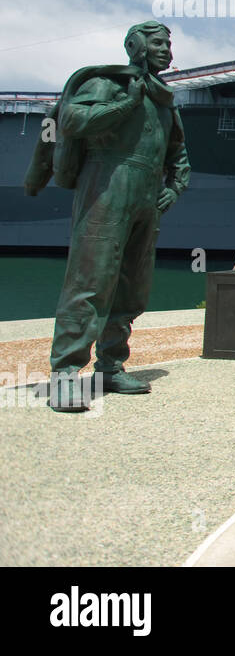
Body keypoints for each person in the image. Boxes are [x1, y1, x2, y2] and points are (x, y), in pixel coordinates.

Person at [26, 21, 189, 412]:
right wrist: (124, 104)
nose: (166, 49)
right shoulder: (108, 85)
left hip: (146, 196)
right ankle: (65, 372)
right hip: (106, 186)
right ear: (135, 46)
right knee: (90, 280)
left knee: (132, 286)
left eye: (169, 43)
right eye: (157, 43)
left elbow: (178, 156)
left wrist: (173, 189)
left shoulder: (164, 101)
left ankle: (111, 365)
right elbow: (72, 122)